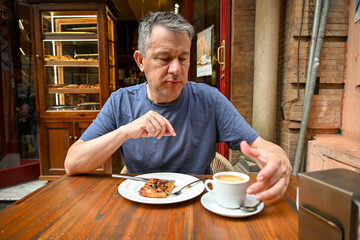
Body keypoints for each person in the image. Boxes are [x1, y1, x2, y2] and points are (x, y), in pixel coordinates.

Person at [65, 11, 292, 203]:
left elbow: (261, 147)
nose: (176, 68)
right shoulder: (120, 102)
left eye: (183, 59)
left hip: (200, 205)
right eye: (164, 58)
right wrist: (125, 131)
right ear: (140, 60)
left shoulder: (209, 100)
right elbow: (73, 164)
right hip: (142, 202)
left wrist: (278, 158)